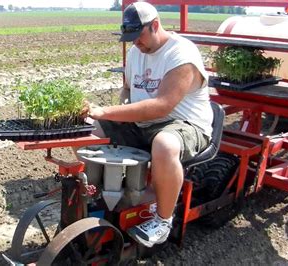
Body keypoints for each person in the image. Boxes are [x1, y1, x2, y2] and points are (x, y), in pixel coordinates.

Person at [85, 2, 213, 247]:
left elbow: (163, 105)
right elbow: (127, 90)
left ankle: (163, 220)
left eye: (139, 36)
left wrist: (106, 110)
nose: (135, 43)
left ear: (155, 25)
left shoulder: (181, 54)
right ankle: (102, 193)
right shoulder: (136, 52)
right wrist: (115, 111)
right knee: (89, 126)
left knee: (164, 144)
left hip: (183, 124)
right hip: (143, 124)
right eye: (130, 38)